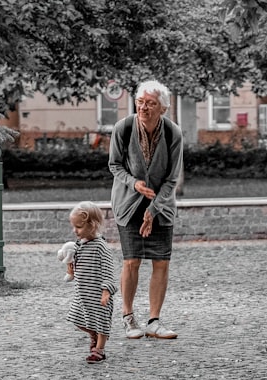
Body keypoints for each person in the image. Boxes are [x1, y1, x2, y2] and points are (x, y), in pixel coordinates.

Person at [109, 80, 183, 340]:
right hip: (128, 204)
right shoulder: (124, 127)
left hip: (161, 206)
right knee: (132, 261)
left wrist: (153, 210)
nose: (143, 108)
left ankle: (154, 322)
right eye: (140, 102)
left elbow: (172, 179)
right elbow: (114, 165)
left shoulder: (173, 133)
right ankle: (128, 318)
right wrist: (135, 183)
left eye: (150, 104)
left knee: (161, 261)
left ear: (162, 108)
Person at [64, 201, 119, 364]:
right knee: (76, 318)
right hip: (83, 293)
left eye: (79, 227)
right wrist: (70, 266)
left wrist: (106, 291)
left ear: (92, 225)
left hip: (99, 295)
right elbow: (74, 261)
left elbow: (108, 270)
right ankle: (92, 334)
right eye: (73, 227)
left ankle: (99, 350)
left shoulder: (101, 247)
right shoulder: (79, 245)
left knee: (101, 321)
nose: (75, 231)